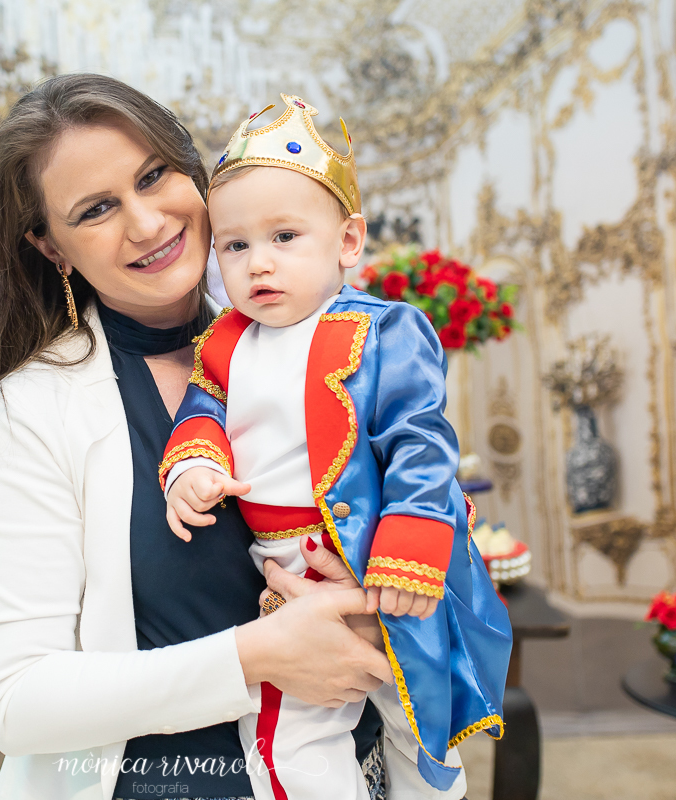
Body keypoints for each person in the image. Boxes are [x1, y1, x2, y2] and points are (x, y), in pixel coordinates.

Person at [0, 73, 402, 800]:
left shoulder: (331, 345)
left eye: (154, 176)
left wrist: (386, 608)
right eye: (96, 209)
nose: (146, 223)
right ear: (51, 246)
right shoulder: (29, 411)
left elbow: (414, 514)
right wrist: (256, 656)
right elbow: (16, 701)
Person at [161, 95, 513, 800]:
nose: (258, 263)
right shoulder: (225, 342)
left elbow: (419, 440)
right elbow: (203, 412)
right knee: (289, 735)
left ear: (348, 242)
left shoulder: (383, 331)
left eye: (284, 236)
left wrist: (409, 548)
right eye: (235, 246)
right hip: (280, 567)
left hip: (378, 553)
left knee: (417, 715)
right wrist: (194, 465)